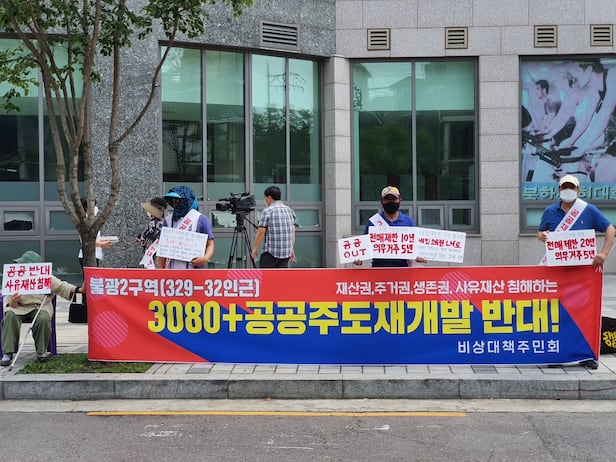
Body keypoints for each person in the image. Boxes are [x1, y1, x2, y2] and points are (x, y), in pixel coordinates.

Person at [537, 174, 615, 369]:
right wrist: (542, 236)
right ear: (559, 190)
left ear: (578, 190)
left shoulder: (588, 210)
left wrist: (604, 253)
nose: (568, 190)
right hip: (557, 272)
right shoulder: (550, 211)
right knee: (558, 313)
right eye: (564, 187)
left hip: (583, 273)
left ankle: (586, 355)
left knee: (584, 313)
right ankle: (558, 354)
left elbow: (610, 229)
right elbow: (540, 232)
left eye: (571, 187)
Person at [1, 251, 82, 366]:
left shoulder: (46, 277)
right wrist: (14, 300)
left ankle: (41, 351)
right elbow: (10, 304)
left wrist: (79, 289)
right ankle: (7, 352)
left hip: (40, 307)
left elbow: (61, 287)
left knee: (43, 318)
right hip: (19, 308)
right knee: (9, 316)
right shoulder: (15, 278)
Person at [354, 186, 427, 267]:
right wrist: (358, 258)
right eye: (387, 199)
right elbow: (364, 246)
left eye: (394, 199)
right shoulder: (373, 222)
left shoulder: (408, 222)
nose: (390, 202)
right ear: (382, 202)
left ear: (400, 201)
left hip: (402, 270)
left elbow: (416, 247)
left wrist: (420, 255)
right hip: (378, 270)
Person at [156, 186, 214, 269]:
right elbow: (163, 248)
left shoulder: (201, 219)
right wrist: (161, 270)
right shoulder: (168, 220)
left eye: (178, 199)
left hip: (194, 271)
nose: (175, 202)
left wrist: (204, 259)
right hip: (172, 271)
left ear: (186, 200)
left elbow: (210, 244)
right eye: (173, 199)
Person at [251, 185, 296, 268]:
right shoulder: (289, 210)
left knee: (267, 276)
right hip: (286, 254)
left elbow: (261, 232)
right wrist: (291, 248)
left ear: (269, 197)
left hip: (271, 253)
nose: (265, 200)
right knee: (280, 276)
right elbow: (292, 231)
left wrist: (255, 248)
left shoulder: (267, 211)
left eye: (265, 197)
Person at [77, 197, 112, 269]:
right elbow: (87, 240)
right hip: (88, 255)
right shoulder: (85, 222)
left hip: (95, 255)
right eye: (94, 206)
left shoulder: (91, 220)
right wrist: (102, 244)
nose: (96, 208)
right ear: (87, 207)